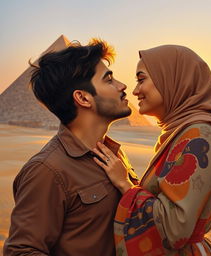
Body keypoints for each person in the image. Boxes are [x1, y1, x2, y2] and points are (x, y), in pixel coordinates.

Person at [92, 45, 211, 255]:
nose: (134, 91)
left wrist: (125, 185)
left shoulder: (200, 133)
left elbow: (174, 228)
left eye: (141, 79)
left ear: (172, 79)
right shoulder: (181, 132)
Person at [3, 39, 138, 256]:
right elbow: (21, 251)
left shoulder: (113, 153)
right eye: (109, 80)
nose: (122, 86)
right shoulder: (47, 171)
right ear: (83, 98)